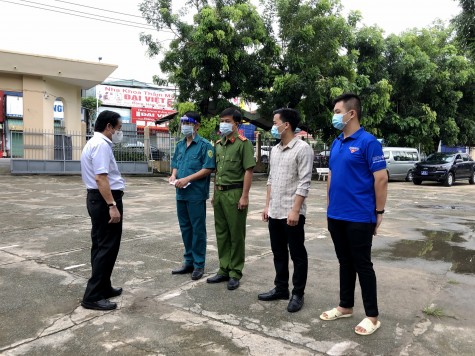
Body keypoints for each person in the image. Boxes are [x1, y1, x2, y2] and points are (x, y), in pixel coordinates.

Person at [320, 93, 388, 336]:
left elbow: (381, 178)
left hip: (359, 216)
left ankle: (372, 316)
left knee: (362, 264)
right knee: (344, 262)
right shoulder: (336, 142)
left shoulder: (369, 142)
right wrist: (329, 205)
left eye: (338, 111)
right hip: (336, 214)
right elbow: (331, 175)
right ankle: (345, 305)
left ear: (352, 113)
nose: (335, 115)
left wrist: (379, 212)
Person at [259, 108, 313, 313]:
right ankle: (281, 288)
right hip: (275, 211)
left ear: (286, 125)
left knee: (297, 254)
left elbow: (304, 182)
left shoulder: (302, 149)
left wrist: (295, 210)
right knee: (278, 252)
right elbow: (271, 180)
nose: (273, 127)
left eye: (275, 123)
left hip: (292, 213)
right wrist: (267, 206)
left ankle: (298, 293)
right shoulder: (275, 150)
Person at [80, 110, 125, 311]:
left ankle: (104, 286)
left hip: (97, 199)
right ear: (109, 126)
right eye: (118, 128)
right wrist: (112, 206)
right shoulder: (101, 145)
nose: (119, 132)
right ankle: (93, 295)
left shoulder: (94, 143)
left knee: (100, 245)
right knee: (107, 247)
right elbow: (101, 178)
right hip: (104, 200)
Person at [207, 108, 255, 290]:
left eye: (227, 120)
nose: (223, 124)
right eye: (221, 120)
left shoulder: (244, 144)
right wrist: (214, 194)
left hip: (235, 193)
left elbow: (248, 170)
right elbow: (217, 172)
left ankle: (235, 272)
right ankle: (223, 268)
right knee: (221, 233)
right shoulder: (218, 144)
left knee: (236, 234)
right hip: (219, 194)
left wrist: (245, 196)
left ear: (237, 123)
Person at [169, 112, 215, 280]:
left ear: (197, 126)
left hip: (195, 193)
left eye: (188, 122)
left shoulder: (205, 146)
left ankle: (198, 264)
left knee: (198, 229)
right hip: (180, 193)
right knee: (185, 228)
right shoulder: (180, 145)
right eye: (183, 122)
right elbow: (176, 163)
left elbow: (208, 168)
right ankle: (188, 261)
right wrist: (174, 176)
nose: (184, 126)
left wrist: (187, 178)